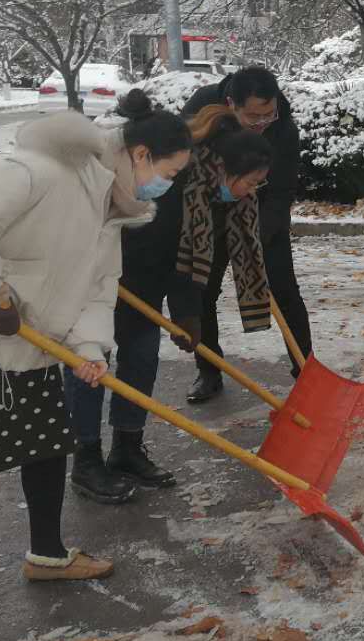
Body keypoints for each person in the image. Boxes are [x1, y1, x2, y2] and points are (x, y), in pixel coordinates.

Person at [0, 110, 169, 620]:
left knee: (45, 447)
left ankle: (47, 555)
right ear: (140, 155)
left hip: (32, 343)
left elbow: (97, 291)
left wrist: (89, 348)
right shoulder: (37, 172)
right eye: (167, 173)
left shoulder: (109, 213)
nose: (165, 187)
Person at [65, 104, 275, 500]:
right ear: (226, 171)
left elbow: (186, 260)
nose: (252, 191)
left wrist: (186, 314)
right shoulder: (173, 186)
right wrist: (176, 306)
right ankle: (86, 459)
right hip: (101, 282)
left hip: (143, 288)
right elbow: (152, 248)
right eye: (251, 182)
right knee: (89, 369)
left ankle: (127, 449)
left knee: (141, 363)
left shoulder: (206, 198)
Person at [181, 66, 308, 403]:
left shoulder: (283, 127)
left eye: (269, 114)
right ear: (231, 105)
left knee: (284, 290)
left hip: (262, 211)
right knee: (203, 291)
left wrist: (258, 234)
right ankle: (209, 371)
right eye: (253, 117)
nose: (262, 122)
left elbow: (282, 190)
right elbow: (181, 166)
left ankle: (306, 370)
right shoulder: (202, 109)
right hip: (208, 214)